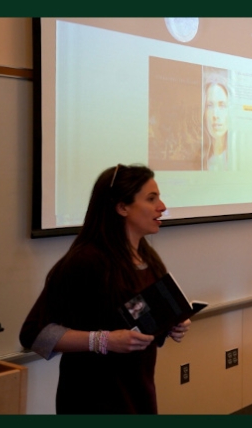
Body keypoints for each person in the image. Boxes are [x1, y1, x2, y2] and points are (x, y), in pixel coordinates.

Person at [19, 164, 191, 414]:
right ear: (122, 207)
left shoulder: (147, 258)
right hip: (92, 399)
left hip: (137, 392)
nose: (162, 207)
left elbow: (135, 318)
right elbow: (34, 334)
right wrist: (104, 340)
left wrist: (170, 324)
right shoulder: (85, 261)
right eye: (151, 199)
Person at [202, 71, 230, 171]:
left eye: (222, 105)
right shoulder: (201, 161)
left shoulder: (238, 161)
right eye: (209, 105)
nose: (215, 115)